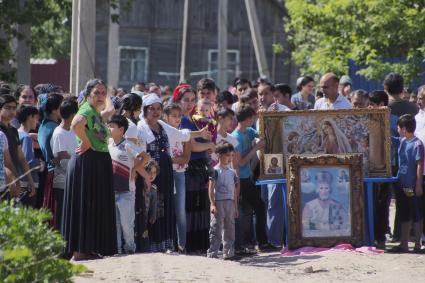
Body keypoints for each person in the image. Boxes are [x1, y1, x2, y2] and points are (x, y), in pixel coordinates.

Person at [62, 79, 117, 260]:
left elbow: (111, 110)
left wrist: (106, 96)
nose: (101, 96)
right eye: (97, 93)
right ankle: (79, 251)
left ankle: (90, 248)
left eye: (103, 93)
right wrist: (86, 142)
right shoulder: (86, 109)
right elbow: (75, 124)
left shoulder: (96, 112)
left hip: (97, 162)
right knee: (85, 204)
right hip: (87, 162)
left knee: (94, 205)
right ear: (87, 95)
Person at [163, 102, 212, 253]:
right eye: (173, 116)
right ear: (165, 117)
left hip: (179, 174)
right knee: (164, 210)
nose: (177, 119)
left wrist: (167, 160)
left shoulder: (185, 132)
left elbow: (185, 159)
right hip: (163, 174)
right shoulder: (162, 131)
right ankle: (166, 243)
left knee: (180, 211)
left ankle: (182, 245)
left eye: (179, 116)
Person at [174, 86, 216, 252]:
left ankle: (198, 244)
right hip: (190, 168)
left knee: (200, 206)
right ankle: (190, 245)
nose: (190, 103)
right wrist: (210, 145)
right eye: (186, 100)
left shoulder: (192, 118)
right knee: (192, 207)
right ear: (178, 101)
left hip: (199, 167)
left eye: (192, 100)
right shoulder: (182, 120)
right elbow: (192, 147)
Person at [108, 114, 147, 254]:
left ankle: (130, 248)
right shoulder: (108, 144)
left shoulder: (128, 145)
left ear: (121, 129)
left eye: (112, 126)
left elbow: (145, 157)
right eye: (109, 125)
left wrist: (135, 169)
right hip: (112, 191)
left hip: (127, 192)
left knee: (126, 223)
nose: (109, 128)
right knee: (115, 224)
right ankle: (117, 249)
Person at [232, 105, 268, 250]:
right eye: (253, 118)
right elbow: (240, 162)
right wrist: (256, 148)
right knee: (248, 210)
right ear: (247, 119)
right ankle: (257, 242)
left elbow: (261, 135)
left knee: (251, 210)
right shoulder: (236, 137)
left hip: (248, 178)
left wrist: (263, 118)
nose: (254, 121)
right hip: (241, 179)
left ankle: (253, 242)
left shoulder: (249, 131)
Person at [388, 115, 424, 253]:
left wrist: (419, 184)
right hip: (402, 184)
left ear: (403, 129)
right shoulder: (402, 142)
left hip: (413, 185)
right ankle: (403, 243)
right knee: (403, 213)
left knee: (416, 214)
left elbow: (419, 165)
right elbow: (391, 141)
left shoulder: (417, 144)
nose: (397, 129)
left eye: (398, 127)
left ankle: (417, 244)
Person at [0, 94, 36, 201]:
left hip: (14, 179)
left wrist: (30, 180)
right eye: (7, 108)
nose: (11, 111)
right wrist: (13, 180)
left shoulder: (14, 130)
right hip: (5, 181)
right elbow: (6, 162)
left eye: (14, 108)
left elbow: (21, 158)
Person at [207, 142, 239, 259]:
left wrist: (235, 206)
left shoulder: (232, 172)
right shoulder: (215, 171)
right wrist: (212, 204)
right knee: (216, 227)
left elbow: (234, 191)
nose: (230, 158)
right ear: (219, 155)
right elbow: (211, 189)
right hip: (218, 203)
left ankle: (229, 252)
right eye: (227, 155)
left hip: (230, 203)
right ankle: (213, 252)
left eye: (231, 155)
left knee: (230, 227)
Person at [50, 97, 78, 231]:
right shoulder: (59, 133)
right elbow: (61, 159)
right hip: (63, 182)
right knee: (62, 216)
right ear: (73, 115)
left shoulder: (74, 131)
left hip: (75, 180)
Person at [38, 92, 63, 227]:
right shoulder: (54, 128)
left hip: (51, 172)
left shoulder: (45, 124)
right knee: (56, 211)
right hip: (56, 173)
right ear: (54, 110)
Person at [302, 171, 349, 237]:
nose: (324, 191)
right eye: (321, 188)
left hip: (334, 236)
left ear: (330, 190)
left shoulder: (337, 205)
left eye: (326, 188)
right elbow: (304, 224)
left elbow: (344, 223)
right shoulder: (309, 205)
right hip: (313, 237)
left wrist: (317, 225)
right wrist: (327, 227)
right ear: (317, 190)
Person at [17, 105, 41, 206]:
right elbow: (28, 162)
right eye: (36, 117)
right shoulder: (26, 138)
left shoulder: (17, 134)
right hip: (27, 184)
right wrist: (40, 164)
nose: (37, 121)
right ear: (30, 117)